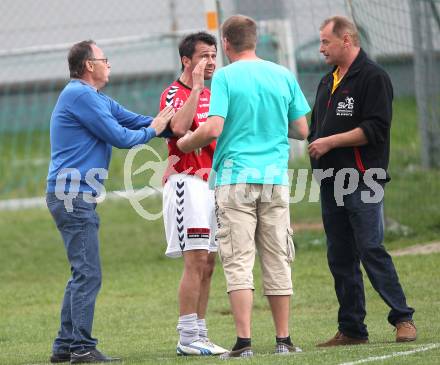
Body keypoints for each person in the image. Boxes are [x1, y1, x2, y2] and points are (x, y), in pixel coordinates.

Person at [177, 15, 310, 358]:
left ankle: (244, 342)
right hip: (275, 178)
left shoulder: (225, 77)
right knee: (278, 257)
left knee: (238, 259)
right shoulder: (281, 74)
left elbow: (214, 127)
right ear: (255, 40)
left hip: (235, 179)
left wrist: (187, 143)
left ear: (226, 42)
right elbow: (301, 128)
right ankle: (283, 339)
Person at [46, 40, 174, 364]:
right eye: (105, 59)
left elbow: (134, 120)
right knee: (88, 273)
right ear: (90, 65)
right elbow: (120, 137)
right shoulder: (80, 95)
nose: (109, 64)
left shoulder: (95, 97)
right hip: (73, 195)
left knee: (81, 271)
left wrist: (173, 127)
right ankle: (82, 348)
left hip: (74, 194)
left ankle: (65, 346)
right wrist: (155, 129)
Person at [308, 15, 416, 347]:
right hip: (331, 181)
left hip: (363, 179)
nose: (321, 48)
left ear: (347, 40)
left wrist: (330, 142)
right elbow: (315, 129)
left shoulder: (374, 77)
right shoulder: (328, 81)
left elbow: (375, 129)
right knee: (339, 254)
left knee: (370, 247)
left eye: (326, 41)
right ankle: (352, 328)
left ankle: (402, 318)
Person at [159, 31, 227, 356]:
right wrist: (196, 88)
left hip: (211, 184)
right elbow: (177, 129)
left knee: (209, 262)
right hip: (186, 184)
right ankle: (186, 337)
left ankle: (200, 333)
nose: (211, 62)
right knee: (196, 260)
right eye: (204, 56)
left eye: (214, 55)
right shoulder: (174, 93)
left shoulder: (216, 94)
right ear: (187, 60)